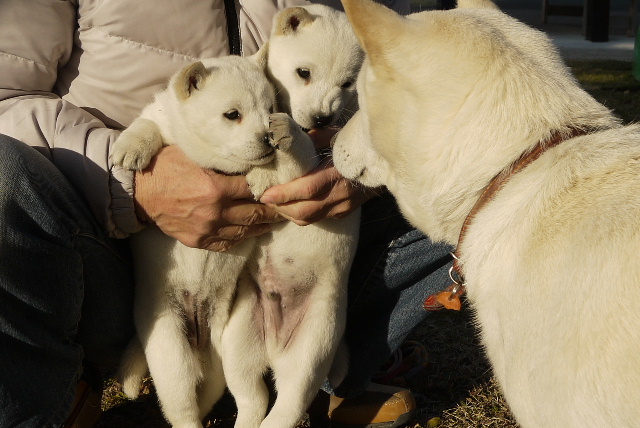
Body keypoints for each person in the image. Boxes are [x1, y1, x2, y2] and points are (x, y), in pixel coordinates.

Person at [0, 1, 453, 427]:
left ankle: (320, 375)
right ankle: (50, 389)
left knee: (464, 166)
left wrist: (357, 167)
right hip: (114, 248)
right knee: (4, 172)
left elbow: (397, 83)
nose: (323, 102)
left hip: (284, 251)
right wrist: (133, 188)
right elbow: (5, 97)